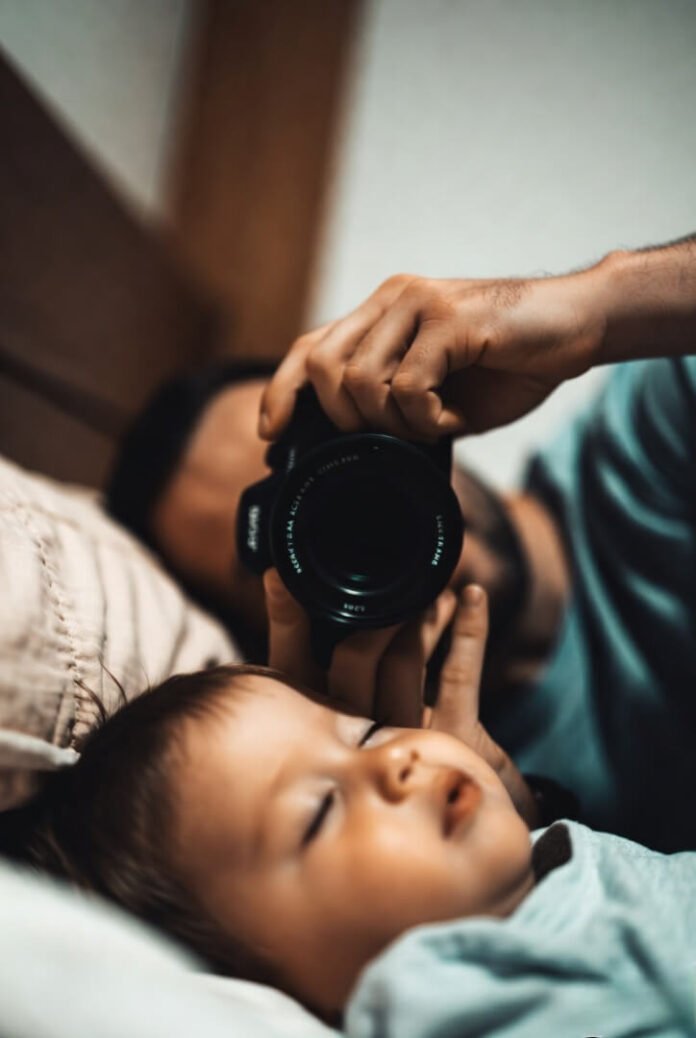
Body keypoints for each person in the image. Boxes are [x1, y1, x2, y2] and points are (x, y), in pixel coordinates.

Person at [107, 234, 696, 852]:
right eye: (293, 544)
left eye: (321, 472)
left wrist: (601, 306)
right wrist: (521, 851)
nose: (355, 523)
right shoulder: (431, 811)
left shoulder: (653, 438)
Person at [5, 574, 696, 1036]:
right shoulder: (444, 995)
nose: (395, 760)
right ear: (285, 993)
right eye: (320, 813)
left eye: (364, 732)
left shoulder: (550, 860)